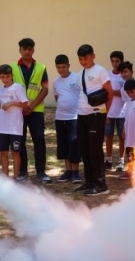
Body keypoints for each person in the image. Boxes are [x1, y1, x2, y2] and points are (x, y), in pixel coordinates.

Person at [75, 44, 113, 196]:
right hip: (82, 114)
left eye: (86, 58)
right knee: (84, 148)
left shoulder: (100, 71)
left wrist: (106, 114)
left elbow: (109, 93)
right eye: (80, 59)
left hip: (96, 114)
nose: (83, 61)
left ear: (93, 56)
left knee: (95, 149)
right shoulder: (81, 73)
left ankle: (101, 184)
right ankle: (89, 181)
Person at [12, 38, 51, 183]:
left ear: (33, 50)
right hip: (18, 111)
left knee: (39, 140)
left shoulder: (41, 67)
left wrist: (32, 106)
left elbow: (45, 89)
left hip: (36, 110)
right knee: (20, 140)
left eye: (30, 49)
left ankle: (41, 172)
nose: (27, 51)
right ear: (20, 50)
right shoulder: (13, 67)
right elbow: (9, 89)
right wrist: (23, 107)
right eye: (24, 49)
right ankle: (23, 171)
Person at [0, 64, 29, 180]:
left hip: (15, 126)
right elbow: (0, 104)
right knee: (3, 152)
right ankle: (5, 177)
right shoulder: (0, 90)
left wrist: (12, 103)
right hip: (2, 126)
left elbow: (25, 103)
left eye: (7, 77)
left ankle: (16, 176)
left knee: (15, 152)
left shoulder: (17, 87)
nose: (5, 79)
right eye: (3, 77)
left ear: (12, 76)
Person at [52, 54, 82, 183]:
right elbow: (57, 98)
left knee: (74, 143)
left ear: (68, 66)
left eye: (63, 67)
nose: (61, 70)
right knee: (63, 145)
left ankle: (76, 172)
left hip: (74, 117)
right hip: (60, 117)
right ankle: (68, 171)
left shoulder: (77, 78)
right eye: (58, 67)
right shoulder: (56, 82)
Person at [118, 78, 135, 181]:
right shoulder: (127, 103)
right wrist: (124, 129)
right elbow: (126, 118)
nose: (130, 94)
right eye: (128, 93)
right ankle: (130, 170)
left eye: (132, 91)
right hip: (129, 132)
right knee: (129, 151)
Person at [104, 50, 126, 171]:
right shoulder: (107, 75)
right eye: (112, 61)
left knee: (122, 137)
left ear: (121, 61)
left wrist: (112, 92)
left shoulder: (124, 75)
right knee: (109, 136)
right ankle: (108, 159)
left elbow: (126, 93)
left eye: (117, 61)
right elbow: (105, 93)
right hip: (109, 111)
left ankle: (121, 161)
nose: (115, 63)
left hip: (122, 111)